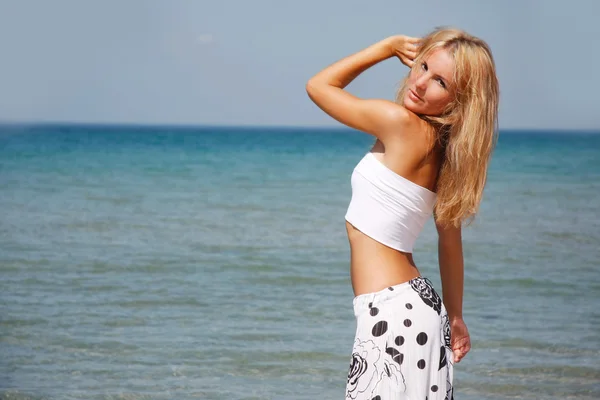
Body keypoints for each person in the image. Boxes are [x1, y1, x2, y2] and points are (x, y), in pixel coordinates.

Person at [306, 27, 499, 399]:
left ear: (460, 100)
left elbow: (319, 86)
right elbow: (450, 241)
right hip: (420, 312)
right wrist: (456, 317)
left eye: (440, 81)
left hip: (392, 315)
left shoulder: (399, 122)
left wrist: (384, 47)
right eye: (422, 66)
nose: (421, 82)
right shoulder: (448, 154)